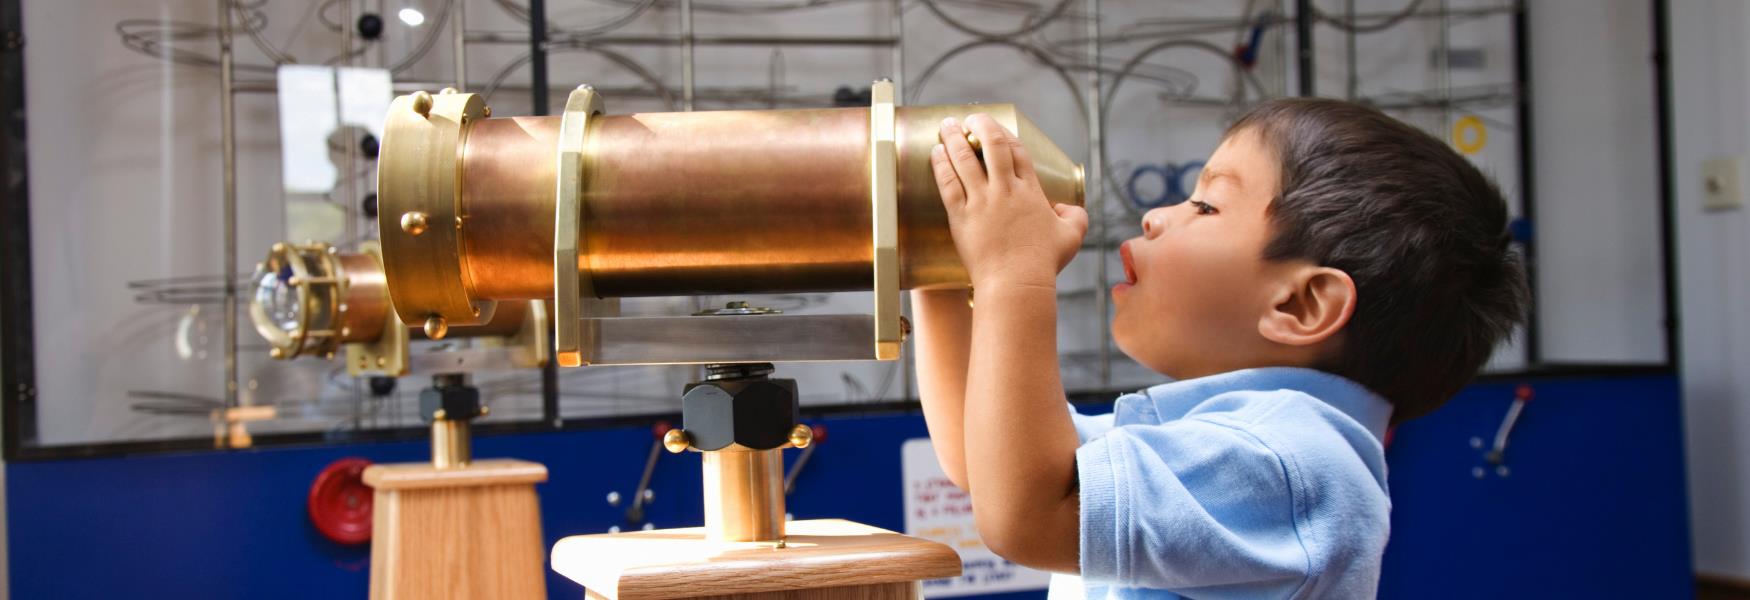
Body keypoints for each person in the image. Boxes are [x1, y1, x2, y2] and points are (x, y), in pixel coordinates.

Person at [913, 98, 1528, 598]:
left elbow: (1025, 511)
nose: (1155, 217)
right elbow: (985, 460)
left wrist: (1012, 273)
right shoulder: (1229, 441)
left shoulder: (1291, 465)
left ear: (1299, 305)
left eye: (1205, 205)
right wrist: (937, 265)